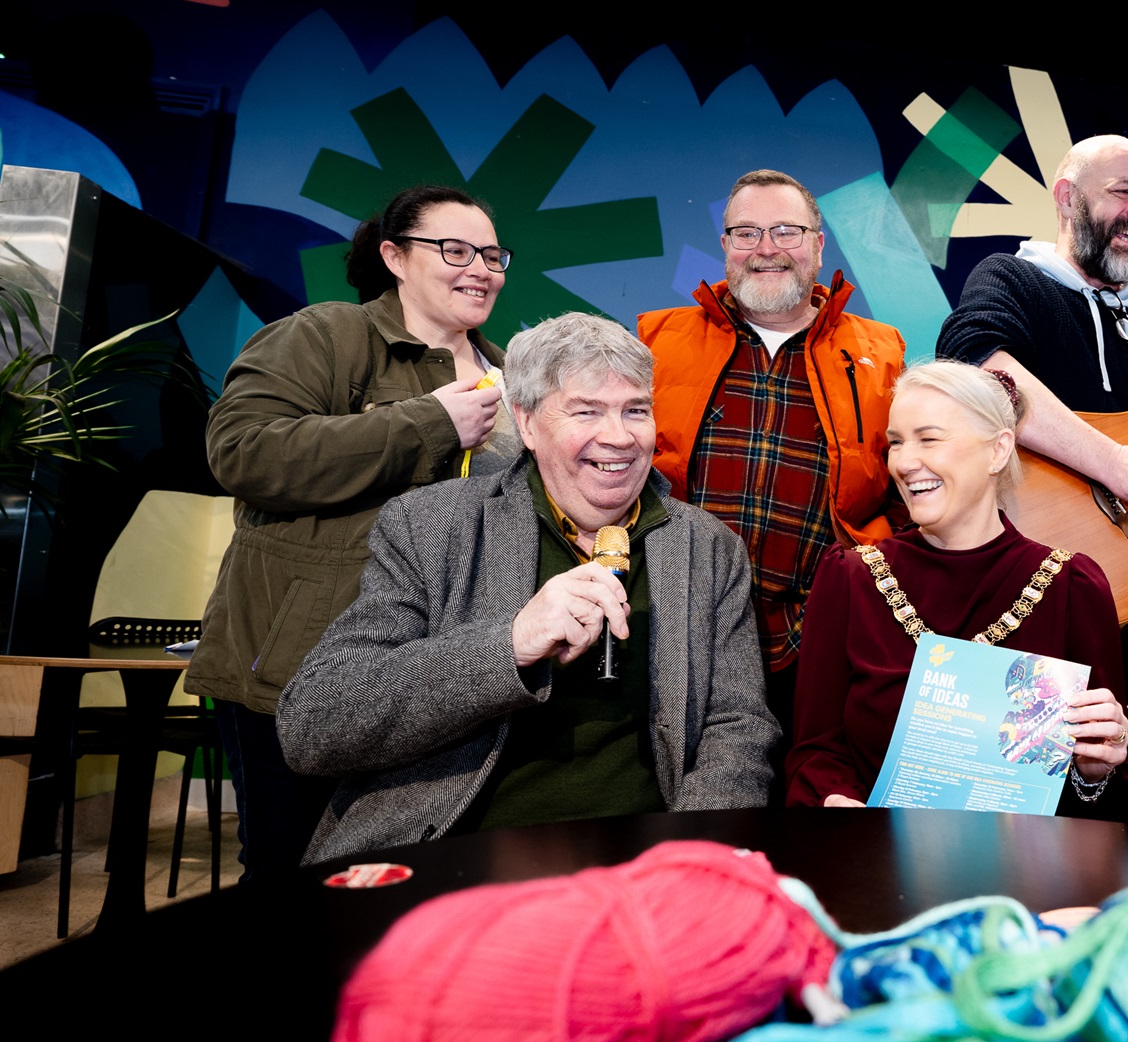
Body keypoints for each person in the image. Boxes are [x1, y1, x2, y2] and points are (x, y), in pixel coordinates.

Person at [278, 313, 777, 862]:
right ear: (528, 422)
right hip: (457, 856)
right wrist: (509, 645)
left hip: (643, 864)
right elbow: (313, 724)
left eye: (636, 410)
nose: (619, 436)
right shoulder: (432, 526)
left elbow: (738, 727)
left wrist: (687, 857)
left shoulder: (708, 548)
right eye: (586, 411)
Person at [186, 184, 515, 879]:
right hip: (300, 672)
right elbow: (242, 451)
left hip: (446, 677)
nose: (480, 269)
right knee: (292, 875)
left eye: (492, 255)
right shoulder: (325, 335)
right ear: (394, 256)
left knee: (412, 881)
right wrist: (429, 423)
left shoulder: (511, 373)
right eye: (455, 250)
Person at [936, 134, 1128, 818]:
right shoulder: (1011, 280)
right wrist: (1115, 465)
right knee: (997, 857)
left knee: (1127, 861)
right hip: (1009, 654)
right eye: (1121, 192)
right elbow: (980, 367)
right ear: (1067, 198)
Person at [784, 361, 1128, 822]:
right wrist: (835, 800)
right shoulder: (851, 578)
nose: (904, 462)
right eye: (896, 442)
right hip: (876, 856)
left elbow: (1114, 788)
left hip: (1028, 864)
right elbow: (815, 753)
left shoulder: (1071, 586)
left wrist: (1095, 769)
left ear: (998, 450)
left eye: (929, 439)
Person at [638, 170, 904, 751]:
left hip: (819, 641)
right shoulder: (654, 341)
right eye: (746, 233)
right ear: (725, 245)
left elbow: (907, 494)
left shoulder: (883, 353)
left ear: (818, 245)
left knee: (811, 792)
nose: (766, 249)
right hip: (673, 630)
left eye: (786, 231)